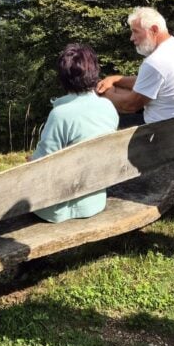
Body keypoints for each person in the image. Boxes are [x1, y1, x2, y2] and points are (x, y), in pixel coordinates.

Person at [31, 43, 119, 222]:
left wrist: (32, 160)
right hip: (95, 200)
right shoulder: (108, 106)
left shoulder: (60, 115)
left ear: (63, 78)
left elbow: (42, 166)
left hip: (56, 209)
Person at [95, 7, 174, 123]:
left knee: (104, 121)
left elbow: (129, 106)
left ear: (154, 30)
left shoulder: (155, 62)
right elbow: (148, 82)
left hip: (167, 133)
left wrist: (105, 93)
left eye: (135, 31)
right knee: (120, 92)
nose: (131, 38)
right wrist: (115, 79)